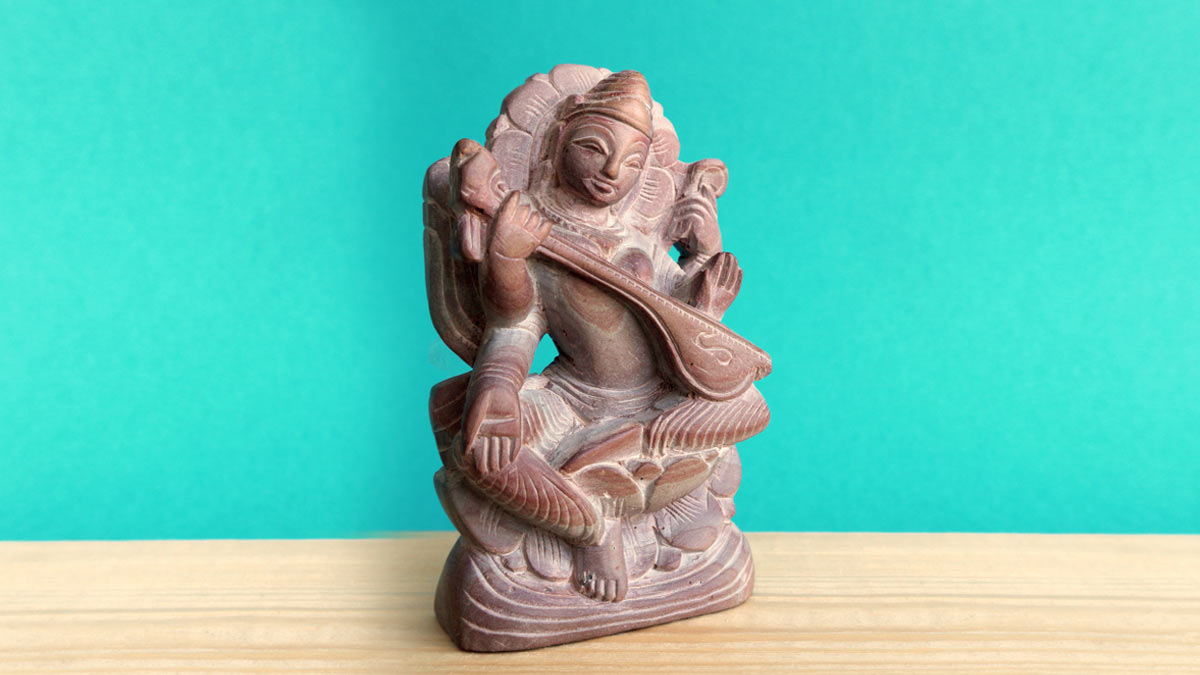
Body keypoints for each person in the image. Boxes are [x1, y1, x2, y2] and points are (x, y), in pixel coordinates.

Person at [430, 71, 768, 603]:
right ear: (557, 141)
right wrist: (497, 386)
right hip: (574, 402)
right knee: (477, 444)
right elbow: (512, 328)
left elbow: (689, 341)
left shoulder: (641, 238)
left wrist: (703, 265)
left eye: (632, 162)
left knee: (749, 405)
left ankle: (621, 453)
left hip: (655, 401)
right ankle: (591, 527)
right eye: (593, 148)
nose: (612, 172)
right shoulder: (528, 234)